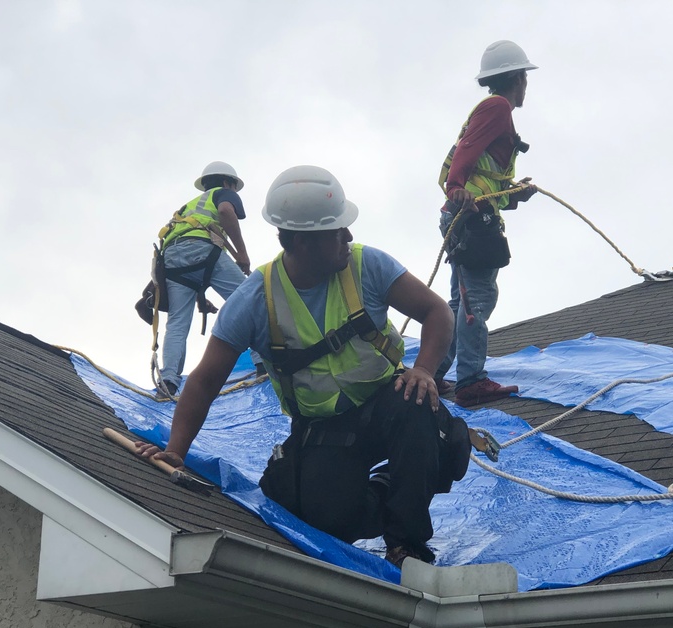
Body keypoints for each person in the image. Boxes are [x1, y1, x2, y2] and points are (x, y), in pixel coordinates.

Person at [138, 166, 457, 567]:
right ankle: (386, 490)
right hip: (323, 430)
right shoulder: (256, 298)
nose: (349, 238)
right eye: (338, 231)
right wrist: (174, 453)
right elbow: (203, 383)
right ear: (305, 243)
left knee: (421, 412)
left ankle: (406, 544)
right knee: (324, 517)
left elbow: (437, 312)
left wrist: (424, 370)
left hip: (385, 403)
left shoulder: (366, 265)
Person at [435, 40, 538, 407]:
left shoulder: (496, 111)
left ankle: (434, 373)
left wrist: (513, 195)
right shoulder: (497, 107)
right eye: (524, 77)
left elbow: (488, 179)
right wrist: (456, 186)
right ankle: (471, 381)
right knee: (478, 297)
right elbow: (467, 152)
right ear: (516, 78)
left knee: (458, 302)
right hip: (470, 217)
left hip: (470, 214)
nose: (527, 84)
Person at [156, 160, 258, 397]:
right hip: (202, 248)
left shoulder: (186, 207)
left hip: (172, 258)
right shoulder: (224, 194)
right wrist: (242, 253)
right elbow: (225, 211)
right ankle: (263, 364)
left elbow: (189, 257)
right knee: (251, 301)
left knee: (177, 323)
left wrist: (200, 296)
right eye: (233, 187)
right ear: (226, 182)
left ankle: (168, 383)